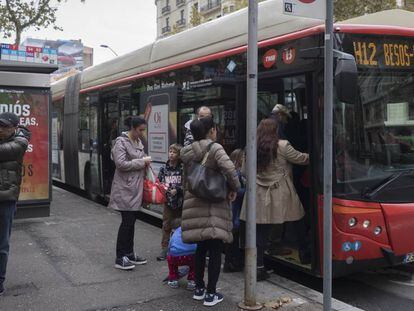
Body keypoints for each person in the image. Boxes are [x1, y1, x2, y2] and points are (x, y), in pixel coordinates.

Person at [180, 117, 240, 307]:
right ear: (211, 130)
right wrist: (234, 189)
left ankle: (199, 289)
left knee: (201, 248)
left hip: (194, 202)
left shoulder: (186, 151)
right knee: (215, 249)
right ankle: (211, 293)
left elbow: (186, 178)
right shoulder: (215, 148)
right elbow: (230, 171)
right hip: (213, 204)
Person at [240, 118, 309, 281]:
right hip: (280, 192)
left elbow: (244, 171)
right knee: (299, 221)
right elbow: (302, 159)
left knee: (261, 231)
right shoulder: (283, 146)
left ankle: (258, 267)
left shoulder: (251, 146)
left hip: (257, 193)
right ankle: (306, 254)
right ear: (275, 130)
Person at [108, 116, 151, 270]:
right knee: (127, 222)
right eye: (140, 130)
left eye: (143, 130)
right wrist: (142, 161)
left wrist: (145, 162)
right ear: (133, 128)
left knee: (131, 222)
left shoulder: (138, 142)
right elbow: (120, 164)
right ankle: (120, 257)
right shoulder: (121, 142)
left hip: (136, 188)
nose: (142, 133)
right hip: (125, 189)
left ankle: (129, 253)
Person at [0, 112, 31, 296]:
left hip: (5, 200)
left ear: (14, 127)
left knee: (2, 244)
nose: (0, 129)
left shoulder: (20, 143)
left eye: (4, 126)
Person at [157, 144, 184, 261]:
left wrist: (177, 190)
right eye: (170, 151)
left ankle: (179, 247)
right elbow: (159, 181)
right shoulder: (164, 168)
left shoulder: (182, 168)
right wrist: (165, 189)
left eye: (174, 152)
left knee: (180, 225)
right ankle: (165, 248)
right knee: (166, 224)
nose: (171, 154)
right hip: (168, 201)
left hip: (180, 201)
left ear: (179, 155)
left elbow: (187, 184)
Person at [223, 148, 245, 273]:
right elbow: (237, 191)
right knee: (234, 240)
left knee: (233, 240)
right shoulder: (236, 174)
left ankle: (230, 262)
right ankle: (232, 263)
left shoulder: (233, 173)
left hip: (233, 212)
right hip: (234, 213)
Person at [167, 219, 197, 290]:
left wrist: (169, 253)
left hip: (176, 257)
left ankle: (173, 279)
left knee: (170, 260)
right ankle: (192, 281)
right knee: (195, 264)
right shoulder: (190, 230)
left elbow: (170, 246)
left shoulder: (174, 233)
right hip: (191, 256)